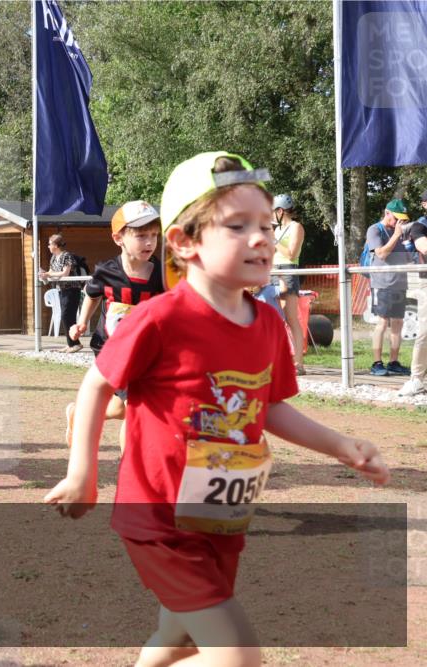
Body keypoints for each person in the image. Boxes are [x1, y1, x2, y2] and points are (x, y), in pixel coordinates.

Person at [45, 151, 390, 665]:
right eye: (237, 225)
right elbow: (96, 386)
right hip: (159, 521)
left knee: (179, 639)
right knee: (237, 655)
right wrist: (83, 475)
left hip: (220, 516)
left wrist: (342, 446)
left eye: (267, 225)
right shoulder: (158, 320)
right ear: (185, 244)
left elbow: (268, 407)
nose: (262, 238)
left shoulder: (269, 325)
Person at [68, 201, 165, 431]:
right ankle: (131, 465)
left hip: (143, 349)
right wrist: (81, 323)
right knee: (136, 406)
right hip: (110, 346)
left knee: (122, 409)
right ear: (118, 238)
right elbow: (92, 295)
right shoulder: (106, 270)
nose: (150, 242)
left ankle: (78, 414)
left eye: (154, 235)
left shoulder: (162, 275)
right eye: (141, 236)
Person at [367, 199, 412, 376]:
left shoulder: (398, 232)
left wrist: (408, 244)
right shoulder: (375, 229)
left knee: (398, 323)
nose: (399, 223)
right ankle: (377, 363)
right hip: (382, 284)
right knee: (382, 322)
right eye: (397, 218)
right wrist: (396, 236)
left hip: (399, 283)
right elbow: (381, 254)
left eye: (402, 220)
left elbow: (408, 259)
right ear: (387, 213)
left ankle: (393, 362)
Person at [271, 194, 306, 375]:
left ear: (280, 211)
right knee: (276, 318)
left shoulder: (296, 227)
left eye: (273, 212)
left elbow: (291, 253)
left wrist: (274, 241)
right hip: (274, 271)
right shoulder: (277, 230)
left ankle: (298, 363)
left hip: (288, 270)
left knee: (291, 318)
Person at [399, 190, 427, 396]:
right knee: (425, 332)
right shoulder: (420, 225)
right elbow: (423, 247)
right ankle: (416, 378)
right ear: (425, 204)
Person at [38, 234, 83, 352]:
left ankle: (75, 344)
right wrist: (45, 274)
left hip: (72, 290)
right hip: (61, 290)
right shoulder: (53, 257)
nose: (48, 246)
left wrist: (48, 274)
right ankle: (71, 344)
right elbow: (52, 272)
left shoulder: (67, 256)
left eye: (50, 244)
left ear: (56, 245)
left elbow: (65, 273)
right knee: (65, 316)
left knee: (67, 316)